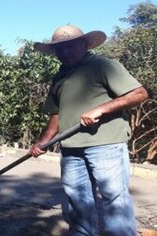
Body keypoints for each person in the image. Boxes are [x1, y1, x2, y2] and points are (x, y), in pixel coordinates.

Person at [30, 25, 148, 236]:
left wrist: (101, 109)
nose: (65, 52)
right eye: (60, 49)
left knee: (113, 199)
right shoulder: (59, 76)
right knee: (77, 199)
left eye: (70, 46)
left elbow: (139, 93)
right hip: (71, 148)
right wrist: (43, 142)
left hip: (106, 145)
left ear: (85, 45)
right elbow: (56, 114)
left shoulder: (103, 65)